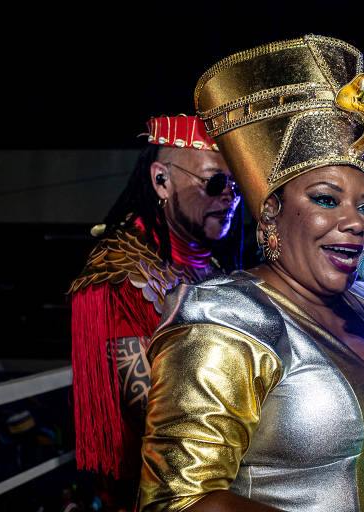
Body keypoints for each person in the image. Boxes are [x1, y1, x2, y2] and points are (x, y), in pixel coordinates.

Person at [137, 35, 364, 512]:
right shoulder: (224, 319)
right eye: (326, 199)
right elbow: (178, 502)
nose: (356, 222)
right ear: (271, 215)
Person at [69, 115, 241, 508]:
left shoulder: (211, 267)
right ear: (162, 180)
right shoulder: (117, 275)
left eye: (236, 184)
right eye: (215, 182)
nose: (229, 196)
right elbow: (154, 410)